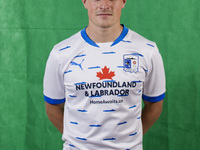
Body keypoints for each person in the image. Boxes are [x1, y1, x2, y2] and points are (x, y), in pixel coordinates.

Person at [43, 0, 166, 149]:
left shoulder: (148, 51)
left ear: (123, 2)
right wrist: (79, 141)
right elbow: (52, 107)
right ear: (85, 2)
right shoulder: (61, 53)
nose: (104, 4)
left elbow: (155, 104)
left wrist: (129, 140)